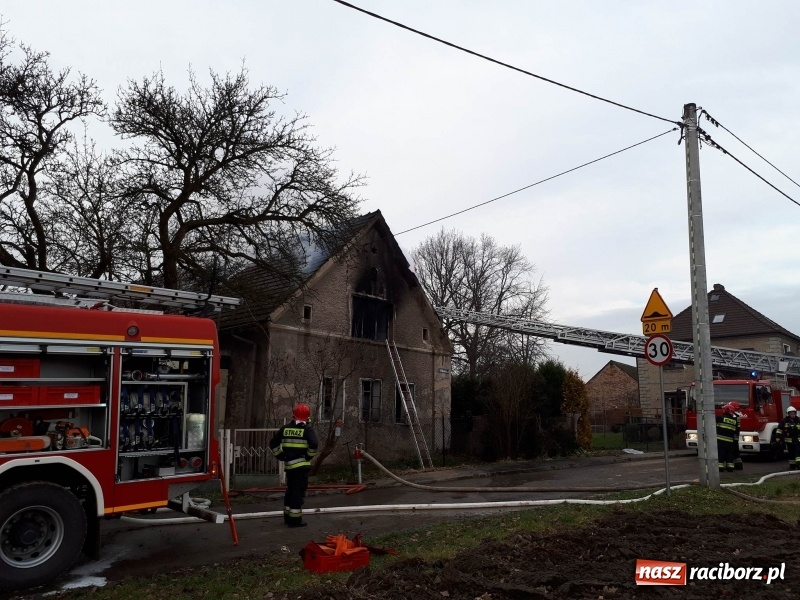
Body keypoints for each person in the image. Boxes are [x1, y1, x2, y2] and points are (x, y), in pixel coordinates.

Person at [269, 403, 318, 527]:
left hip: (289, 466)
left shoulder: (284, 429)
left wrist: (281, 456)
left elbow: (273, 443)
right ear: (307, 417)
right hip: (301, 467)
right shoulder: (307, 429)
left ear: (293, 415)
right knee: (298, 493)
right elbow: (314, 444)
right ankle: (295, 520)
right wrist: (308, 456)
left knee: (290, 491)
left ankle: (287, 517)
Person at [715, 403, 739, 473]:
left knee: (721, 454)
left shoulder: (720, 418)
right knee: (729, 455)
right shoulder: (734, 421)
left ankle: (720, 467)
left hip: (721, 441)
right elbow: (735, 431)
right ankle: (730, 468)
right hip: (730, 442)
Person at [775, 405, 800, 471]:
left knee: (798, 452)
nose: (793, 415)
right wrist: (778, 437)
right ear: (788, 414)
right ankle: (792, 466)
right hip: (789, 441)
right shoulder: (784, 421)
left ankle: (799, 464)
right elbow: (779, 429)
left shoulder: (798, 420)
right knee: (791, 453)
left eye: (794, 414)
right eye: (791, 414)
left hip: (797, 440)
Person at [727, 401, 744, 471]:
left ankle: (731, 465)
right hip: (736, 436)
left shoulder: (733, 416)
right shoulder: (737, 416)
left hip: (732, 436)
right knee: (736, 451)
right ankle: (738, 465)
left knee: (731, 450)